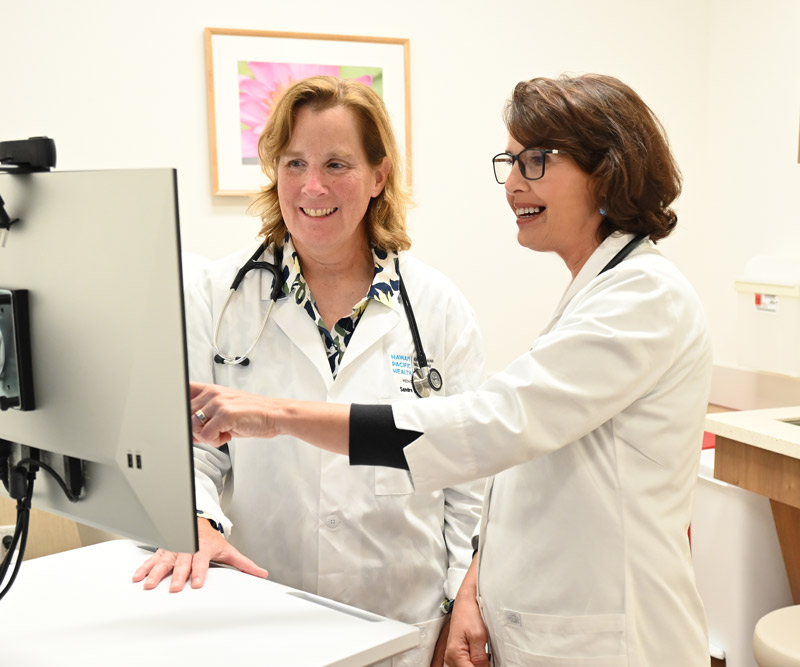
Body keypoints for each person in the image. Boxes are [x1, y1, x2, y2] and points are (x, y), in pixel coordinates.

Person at [188, 73, 714, 667]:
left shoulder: (641, 298)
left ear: (608, 170)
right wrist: (475, 586)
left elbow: (487, 431)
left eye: (535, 161)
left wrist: (277, 414)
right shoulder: (598, 293)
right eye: (511, 162)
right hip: (269, 606)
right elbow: (510, 465)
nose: (513, 184)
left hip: (598, 637)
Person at [133, 76, 486, 667]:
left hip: (402, 617)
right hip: (264, 606)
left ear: (380, 175)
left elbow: (471, 475)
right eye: (294, 162)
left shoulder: (438, 308)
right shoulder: (218, 296)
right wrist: (196, 518)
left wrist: (461, 600)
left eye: (337, 164)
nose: (312, 186)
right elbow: (190, 446)